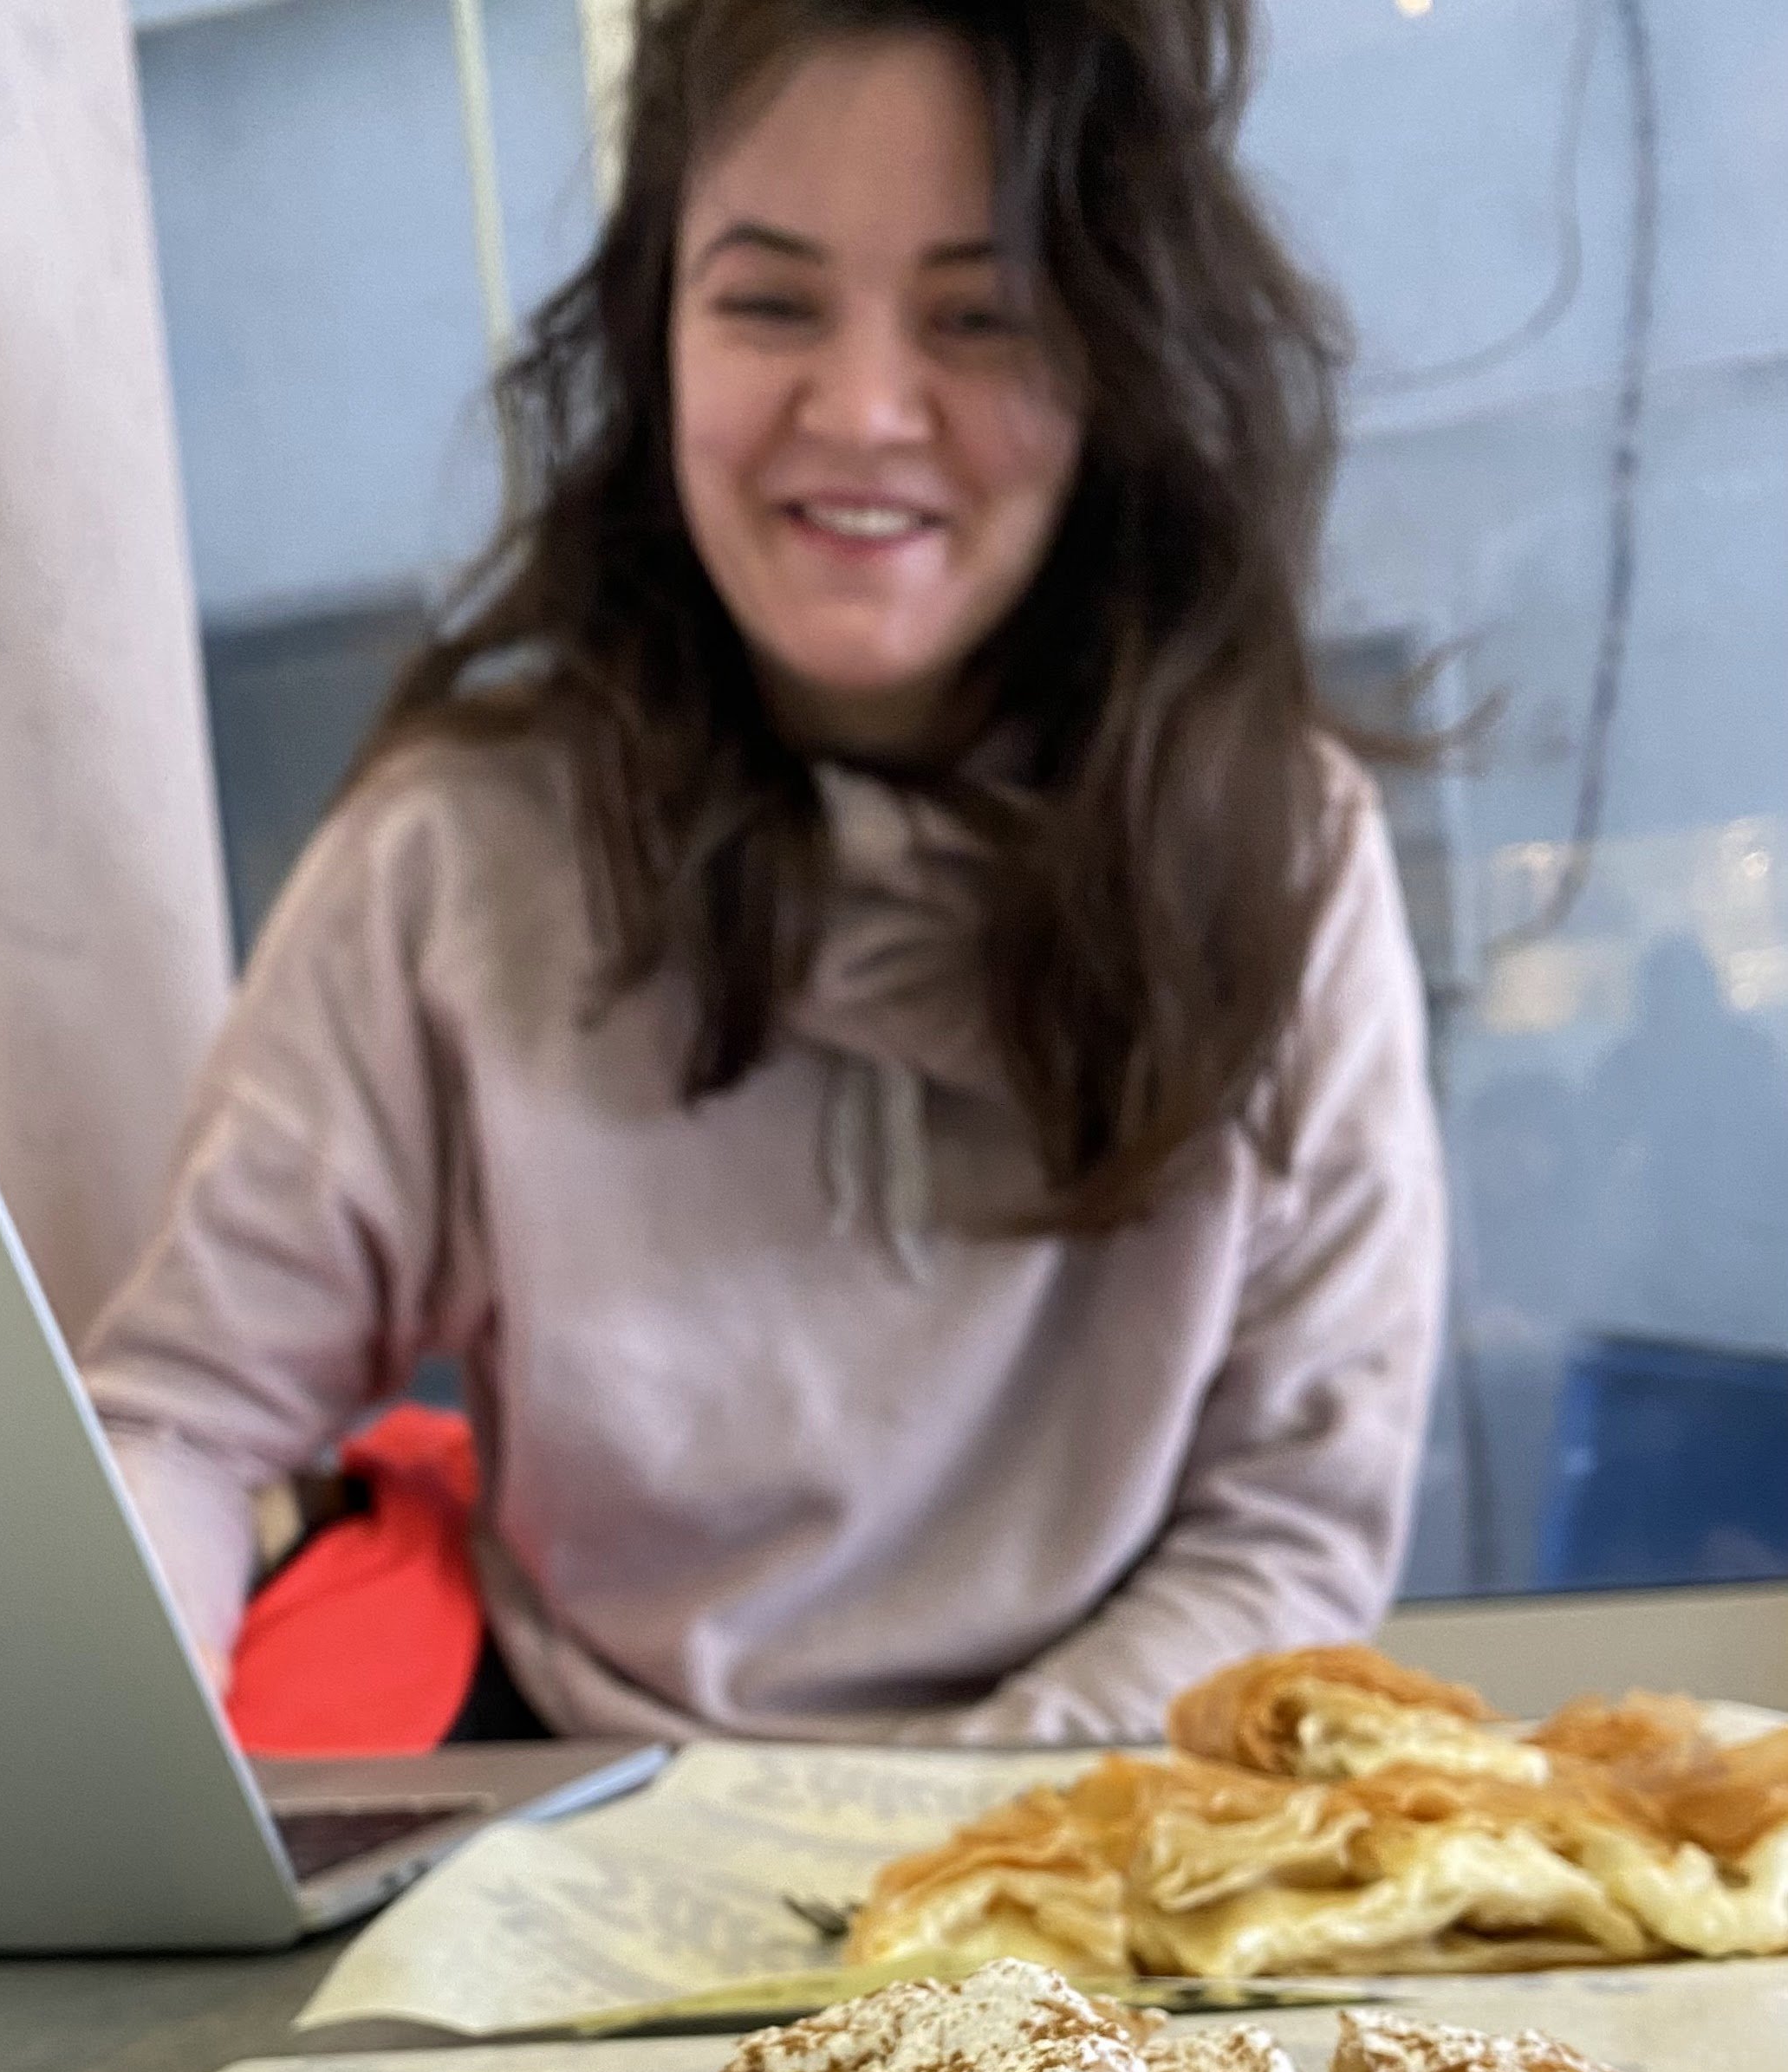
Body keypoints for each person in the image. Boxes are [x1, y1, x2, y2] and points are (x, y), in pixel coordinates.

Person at [86, 0, 1445, 1745]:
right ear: (655, 341)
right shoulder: (455, 853)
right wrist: (118, 1752)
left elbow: (1289, 1535)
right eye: (768, 301)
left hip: (1084, 1854)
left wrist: (925, 1860)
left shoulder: (1283, 854)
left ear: (1119, 359)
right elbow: (185, 1413)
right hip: (572, 1851)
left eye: (982, 315)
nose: (866, 408)